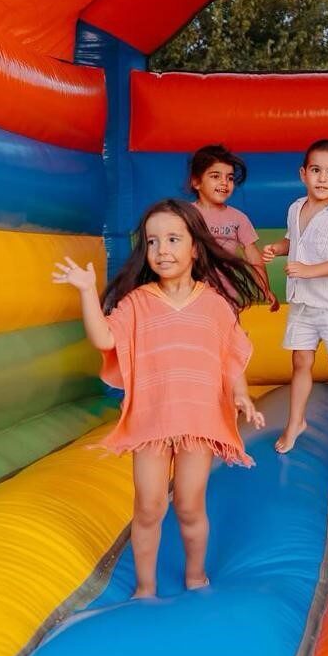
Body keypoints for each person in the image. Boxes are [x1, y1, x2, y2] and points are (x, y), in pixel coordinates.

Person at [52, 199, 267, 599]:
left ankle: (195, 575)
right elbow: (104, 339)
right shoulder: (137, 302)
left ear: (195, 248)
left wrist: (242, 397)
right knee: (149, 506)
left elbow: (230, 357)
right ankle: (145, 586)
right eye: (153, 242)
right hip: (151, 421)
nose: (162, 250)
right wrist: (86, 291)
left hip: (199, 422)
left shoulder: (215, 306)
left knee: (188, 505)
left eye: (172, 239)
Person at [261, 139, 328, 459]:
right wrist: (277, 249)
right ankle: (296, 422)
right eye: (316, 171)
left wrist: (308, 270)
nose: (323, 178)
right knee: (300, 362)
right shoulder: (296, 208)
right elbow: (292, 240)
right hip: (302, 302)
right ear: (303, 174)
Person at [186, 144, 279, 311]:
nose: (224, 182)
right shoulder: (185, 215)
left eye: (229, 178)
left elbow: (254, 258)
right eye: (215, 176)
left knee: (228, 335)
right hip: (189, 297)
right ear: (196, 182)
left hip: (226, 298)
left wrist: (265, 289)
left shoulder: (238, 219)